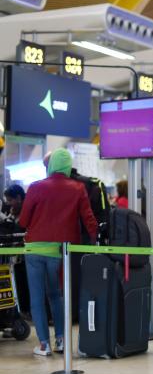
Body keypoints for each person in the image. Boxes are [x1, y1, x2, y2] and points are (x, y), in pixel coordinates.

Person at [19, 149, 97, 356]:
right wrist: (95, 241)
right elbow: (89, 219)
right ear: (68, 166)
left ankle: (44, 345)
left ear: (51, 165)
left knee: (37, 299)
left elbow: (23, 221)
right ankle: (61, 340)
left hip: (34, 249)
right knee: (56, 295)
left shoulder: (36, 187)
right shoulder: (78, 188)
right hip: (60, 251)